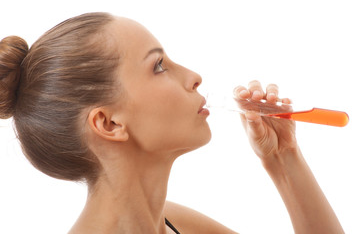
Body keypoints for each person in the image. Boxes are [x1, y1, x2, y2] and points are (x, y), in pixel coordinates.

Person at [0, 12, 344, 234]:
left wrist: (284, 157)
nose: (194, 77)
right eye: (159, 66)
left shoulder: (174, 223)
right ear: (108, 123)